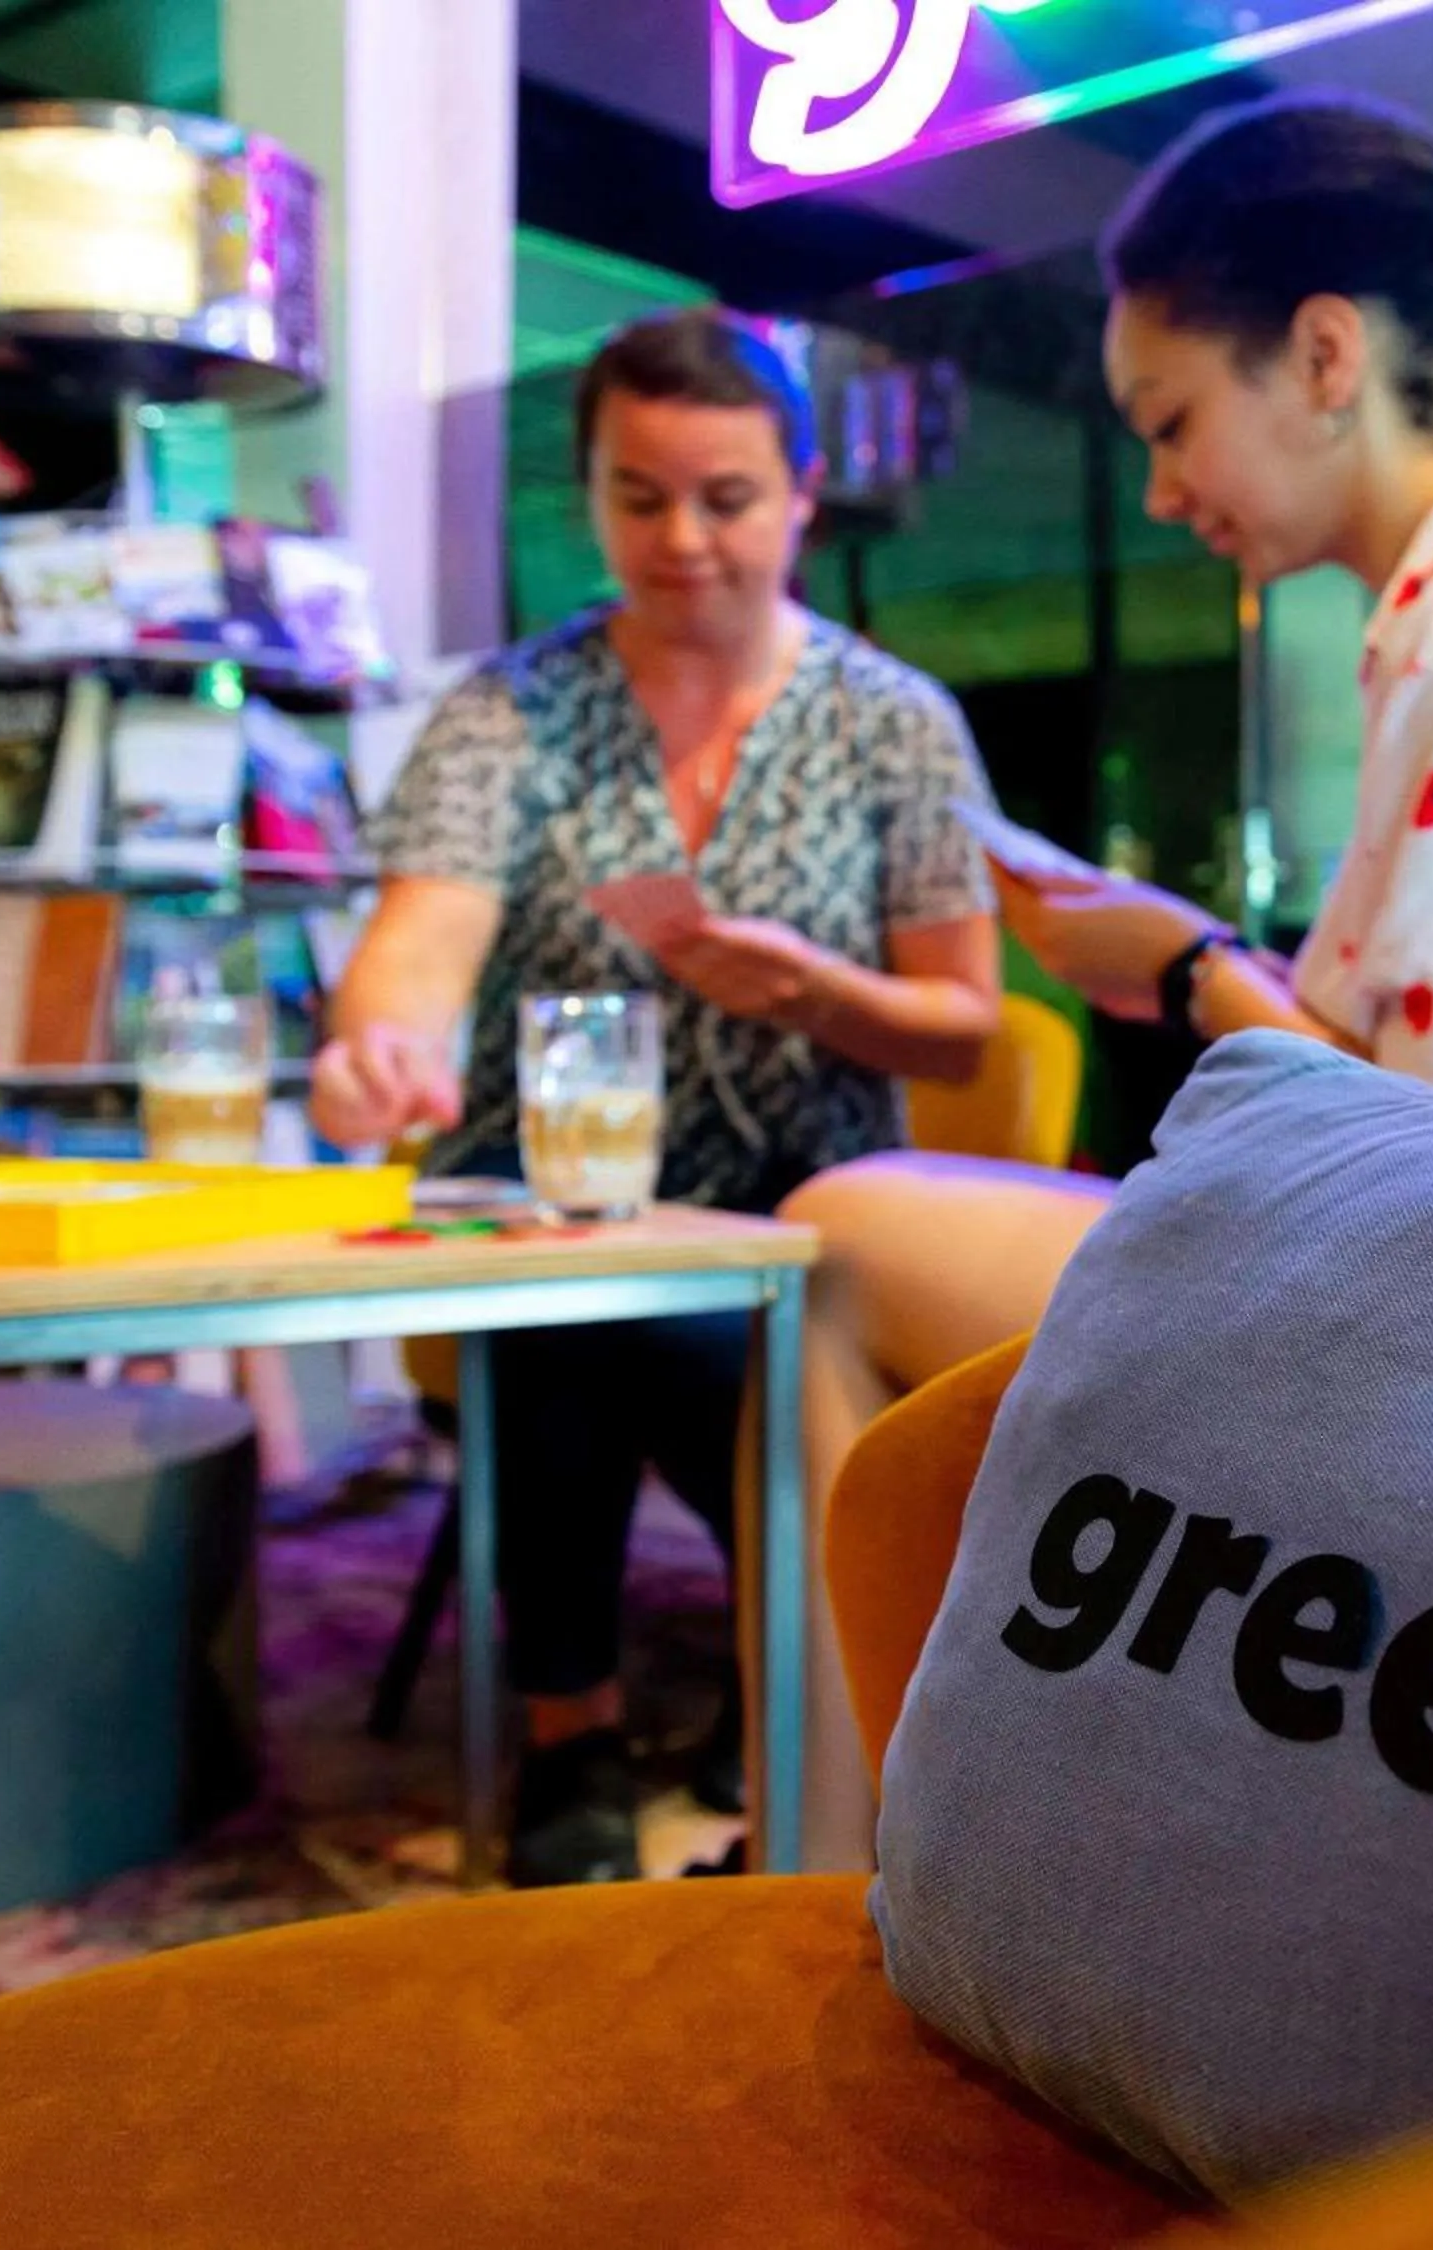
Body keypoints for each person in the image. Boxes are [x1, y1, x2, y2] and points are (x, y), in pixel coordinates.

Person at [779, 93, 1433, 1863]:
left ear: (1326, 354)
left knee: (831, 1234)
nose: (1163, 487)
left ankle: (849, 1872)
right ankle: (938, 1828)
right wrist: (1190, 964)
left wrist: (1190, 970)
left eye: (1173, 421)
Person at [309, 307, 1003, 1887]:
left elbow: (961, 1030)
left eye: (727, 498)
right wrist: (381, 1045)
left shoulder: (897, 725)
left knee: (702, 1325)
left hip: (793, 1210)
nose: (681, 540)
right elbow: (421, 939)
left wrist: (817, 990)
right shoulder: (513, 707)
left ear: (805, 492)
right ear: (593, 497)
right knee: (570, 1295)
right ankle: (592, 1728)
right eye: (639, 499)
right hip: (556, 1205)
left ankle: (757, 1718)